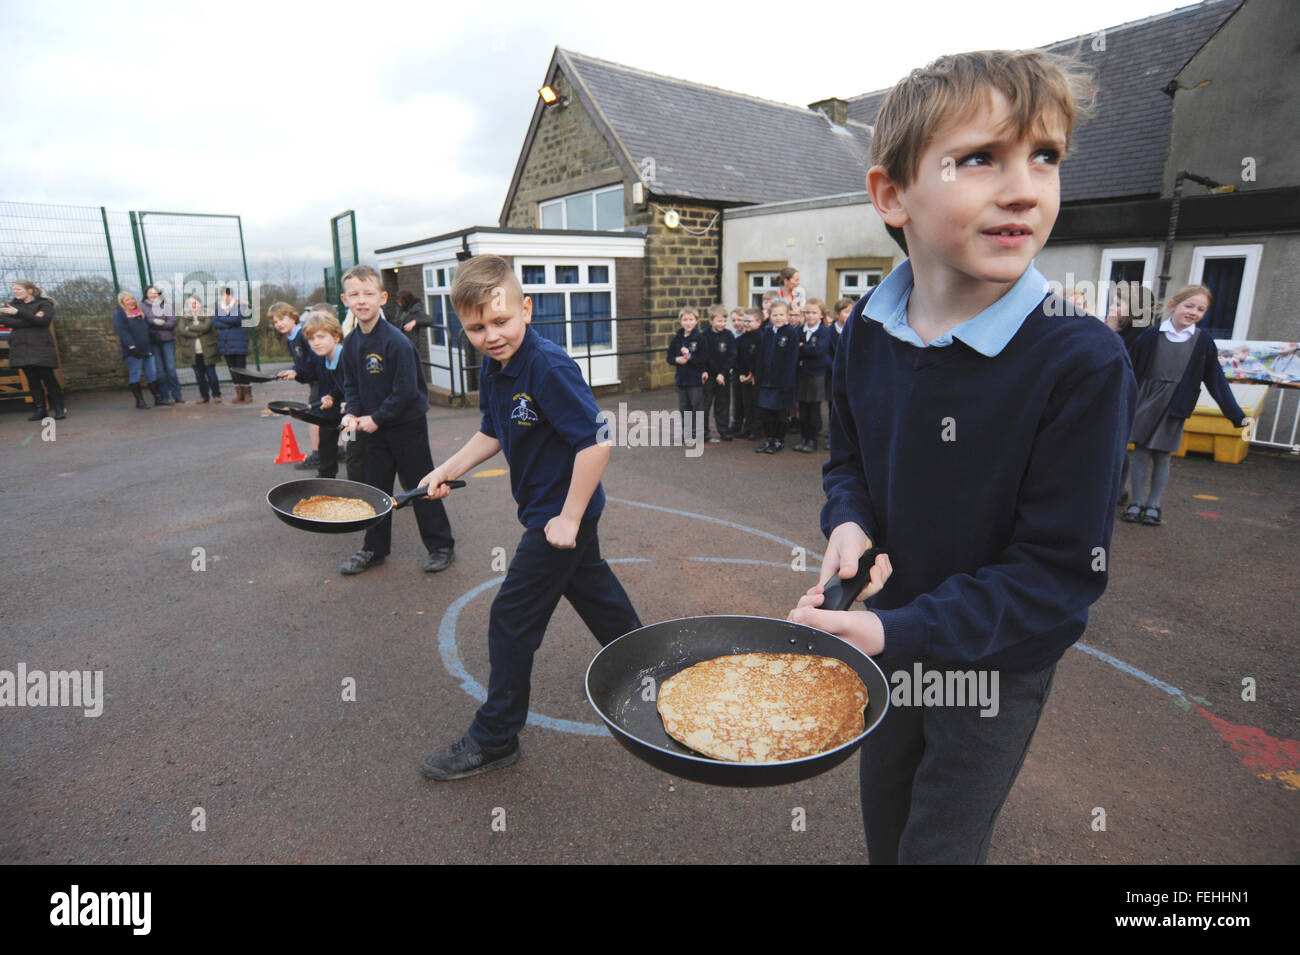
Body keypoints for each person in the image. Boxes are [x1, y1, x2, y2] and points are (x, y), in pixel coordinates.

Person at [787, 49, 1135, 864]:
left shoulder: (1079, 362)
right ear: (892, 195)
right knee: (886, 827)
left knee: (938, 849)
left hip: (993, 664)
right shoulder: (862, 333)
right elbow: (850, 464)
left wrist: (890, 627)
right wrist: (848, 522)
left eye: (1044, 157)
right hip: (890, 635)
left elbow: (1057, 574)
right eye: (979, 158)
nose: (1022, 187)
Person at [418, 254, 642, 780]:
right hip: (552, 515)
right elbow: (493, 430)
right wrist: (445, 468)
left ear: (527, 309)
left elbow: (596, 442)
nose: (491, 336)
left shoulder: (547, 365)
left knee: (511, 619)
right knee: (596, 594)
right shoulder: (495, 367)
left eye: (501, 322)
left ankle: (495, 737)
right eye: (476, 328)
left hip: (558, 519)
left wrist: (567, 517)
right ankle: (648, 665)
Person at [337, 265, 455, 575]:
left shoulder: (397, 342)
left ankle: (441, 545)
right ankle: (374, 549)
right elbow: (351, 384)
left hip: (406, 427)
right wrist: (351, 410)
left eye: (368, 294)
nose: (361, 300)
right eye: (354, 294)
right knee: (375, 491)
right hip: (373, 430)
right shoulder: (350, 343)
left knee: (421, 487)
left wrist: (378, 417)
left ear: (382, 297)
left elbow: (407, 391)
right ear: (345, 299)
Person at [1122, 285, 1245, 527]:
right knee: (1142, 453)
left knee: (1162, 455)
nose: (1194, 312)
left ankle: (1153, 505)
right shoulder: (1150, 336)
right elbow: (1129, 371)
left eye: (1201, 309)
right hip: (1146, 402)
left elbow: (1215, 379)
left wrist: (1235, 414)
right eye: (1189, 306)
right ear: (1173, 306)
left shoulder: (1203, 342)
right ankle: (1136, 503)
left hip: (1175, 404)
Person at [296, 311, 353, 480]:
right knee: (326, 438)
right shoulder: (326, 357)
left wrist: (346, 401)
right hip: (339, 407)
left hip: (356, 411)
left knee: (354, 445)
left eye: (321, 337)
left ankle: (359, 484)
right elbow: (339, 384)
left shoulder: (345, 356)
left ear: (336, 337)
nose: (316, 343)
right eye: (312, 339)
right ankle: (326, 478)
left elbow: (354, 383)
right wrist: (332, 395)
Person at [268, 302, 320, 471]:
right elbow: (301, 364)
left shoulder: (303, 334)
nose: (279, 324)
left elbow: (314, 360)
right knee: (325, 415)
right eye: (275, 322)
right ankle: (339, 449)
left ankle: (318, 454)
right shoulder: (290, 337)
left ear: (292, 317)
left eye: (282, 319)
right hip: (315, 380)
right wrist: (295, 371)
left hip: (322, 379)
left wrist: (298, 372)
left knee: (314, 416)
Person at [2, 281, 65, 420]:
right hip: (21, 348)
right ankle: (40, 409)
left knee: (49, 379)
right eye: (14, 289)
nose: (15, 292)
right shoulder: (11, 305)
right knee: (32, 381)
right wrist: (33, 319)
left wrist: (18, 313)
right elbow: (5, 321)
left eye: (18, 289)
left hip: (40, 346)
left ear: (29, 290)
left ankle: (59, 409)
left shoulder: (44, 304)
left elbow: (44, 321)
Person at [753, 298, 799, 453]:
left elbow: (792, 360)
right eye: (774, 315)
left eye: (781, 315)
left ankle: (779, 440)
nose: (778, 318)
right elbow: (760, 357)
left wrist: (787, 382)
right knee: (765, 414)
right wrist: (758, 377)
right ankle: (769, 439)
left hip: (782, 383)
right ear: (770, 316)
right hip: (766, 381)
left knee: (779, 415)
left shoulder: (791, 333)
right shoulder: (766, 333)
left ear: (787, 315)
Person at [113, 290, 164, 409]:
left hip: (147, 348)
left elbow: (146, 328)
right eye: (127, 300)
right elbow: (123, 332)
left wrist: (154, 334)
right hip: (133, 352)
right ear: (122, 302)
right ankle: (140, 401)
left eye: (132, 299)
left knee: (152, 373)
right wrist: (131, 346)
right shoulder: (119, 315)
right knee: (135, 374)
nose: (131, 301)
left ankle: (158, 399)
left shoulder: (140, 313)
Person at [793, 298, 832, 452]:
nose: (810, 316)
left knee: (813, 408)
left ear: (821, 315)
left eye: (814, 313)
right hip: (802, 373)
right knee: (803, 407)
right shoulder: (799, 330)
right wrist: (806, 347)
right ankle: (804, 438)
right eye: (807, 312)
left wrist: (802, 347)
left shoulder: (824, 331)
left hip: (816, 374)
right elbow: (795, 348)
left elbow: (818, 351)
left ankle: (812, 440)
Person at [667, 307, 706, 444]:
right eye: (685, 320)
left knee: (697, 406)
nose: (688, 322)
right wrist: (677, 360)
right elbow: (669, 357)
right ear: (680, 321)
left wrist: (689, 356)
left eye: (691, 319)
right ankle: (687, 432)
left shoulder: (700, 338)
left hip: (695, 379)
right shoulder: (676, 338)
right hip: (681, 379)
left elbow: (703, 359)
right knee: (684, 407)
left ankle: (698, 434)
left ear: (696, 321)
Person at [177, 294, 222, 403]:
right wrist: (197, 334)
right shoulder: (184, 316)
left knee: (211, 374)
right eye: (189, 303)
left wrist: (190, 328)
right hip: (192, 352)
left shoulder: (207, 313)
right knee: (199, 376)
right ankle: (204, 396)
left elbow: (205, 327)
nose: (193, 305)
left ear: (200, 304)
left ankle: (216, 395)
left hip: (208, 350)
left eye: (195, 303)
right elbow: (181, 330)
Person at [143, 285, 183, 404]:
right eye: (150, 292)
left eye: (155, 292)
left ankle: (177, 395)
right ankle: (164, 396)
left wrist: (161, 324)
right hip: (153, 341)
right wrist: (153, 321)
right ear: (146, 294)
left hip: (168, 340)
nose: (153, 294)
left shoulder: (166, 306)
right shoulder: (142, 306)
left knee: (171, 369)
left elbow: (172, 321)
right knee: (159, 370)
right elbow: (144, 320)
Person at [701, 304, 734, 442]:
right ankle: (703, 432)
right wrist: (704, 370)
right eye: (719, 321)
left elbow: (732, 356)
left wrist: (723, 372)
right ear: (711, 321)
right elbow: (702, 355)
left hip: (723, 376)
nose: (722, 324)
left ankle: (723, 430)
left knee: (723, 404)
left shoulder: (728, 335)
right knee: (704, 404)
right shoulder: (704, 335)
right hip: (708, 376)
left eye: (724, 321)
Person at [214, 286, 252, 404]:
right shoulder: (218, 308)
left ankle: (247, 393)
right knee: (232, 370)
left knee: (241, 369)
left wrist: (222, 319)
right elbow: (215, 322)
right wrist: (227, 321)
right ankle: (239, 393)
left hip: (239, 343)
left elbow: (237, 319)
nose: (225, 297)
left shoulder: (240, 307)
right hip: (225, 344)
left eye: (227, 295)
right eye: (223, 295)